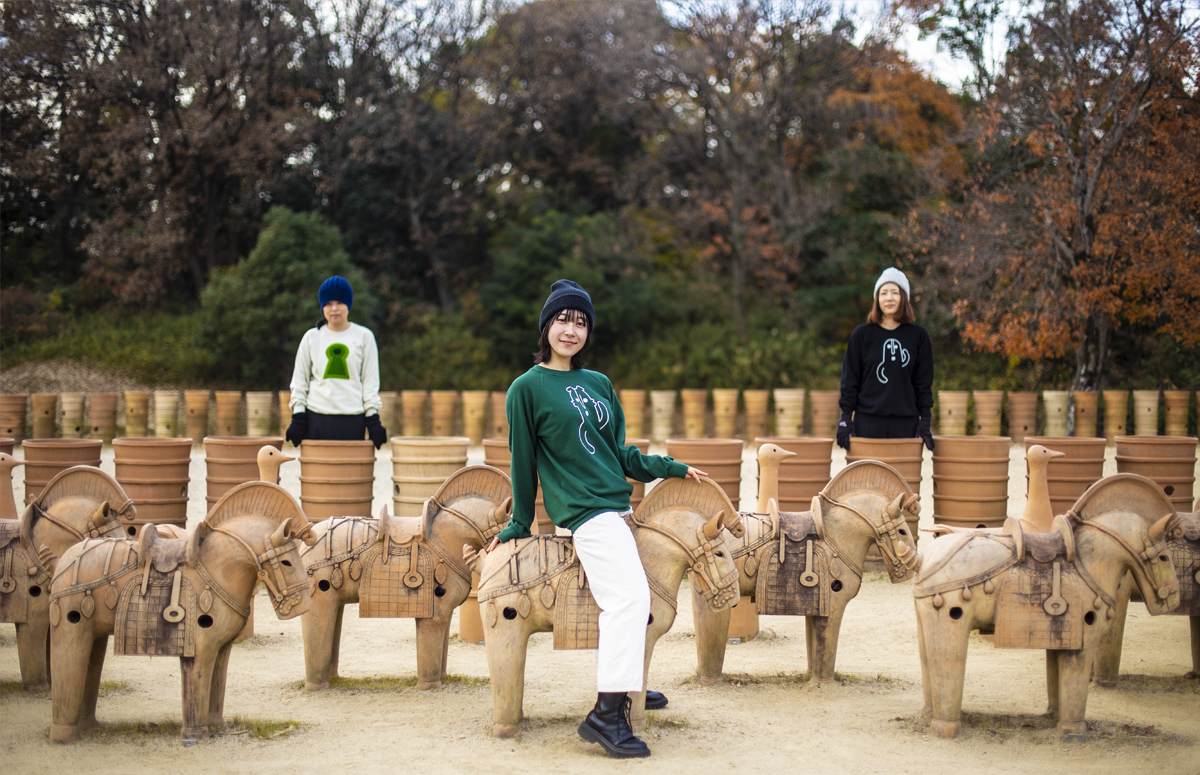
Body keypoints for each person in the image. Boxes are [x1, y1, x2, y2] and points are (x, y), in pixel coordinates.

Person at [486, 279, 707, 759]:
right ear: (546, 326)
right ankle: (607, 715)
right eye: (563, 319)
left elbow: (619, 454)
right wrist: (519, 522)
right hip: (586, 515)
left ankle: (627, 685)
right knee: (630, 598)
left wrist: (670, 467)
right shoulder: (526, 389)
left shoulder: (599, 383)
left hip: (620, 507)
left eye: (581, 322)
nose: (571, 330)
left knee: (655, 592)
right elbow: (522, 463)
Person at [836, 267, 935, 452]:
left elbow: (923, 383)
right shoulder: (862, 335)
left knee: (902, 479)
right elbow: (850, 381)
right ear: (877, 299)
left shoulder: (918, 336)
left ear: (904, 297)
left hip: (906, 423)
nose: (889, 298)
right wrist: (845, 418)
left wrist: (925, 420)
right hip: (868, 422)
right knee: (868, 479)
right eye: (883, 293)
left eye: (894, 292)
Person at [286, 275, 388, 449]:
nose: (334, 308)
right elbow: (299, 380)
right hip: (316, 416)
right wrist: (298, 416)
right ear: (322, 307)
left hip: (353, 417)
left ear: (348, 304)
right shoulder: (311, 337)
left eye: (339, 303)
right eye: (328, 303)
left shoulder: (364, 336)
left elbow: (370, 382)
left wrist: (373, 418)